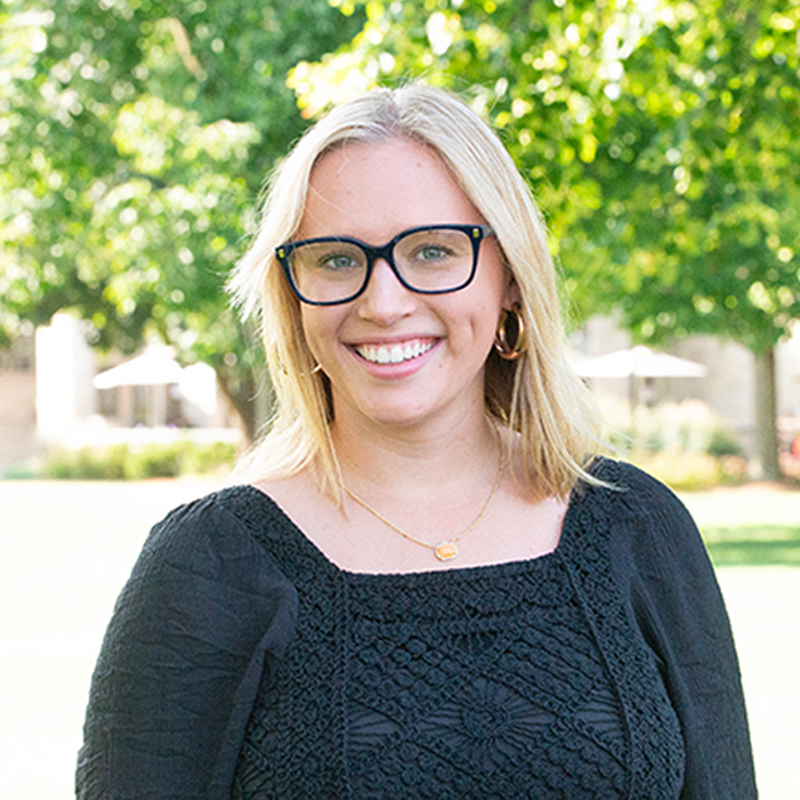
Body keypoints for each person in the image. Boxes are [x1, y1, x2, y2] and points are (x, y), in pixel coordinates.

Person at [76, 84, 756, 799]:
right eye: (336, 259)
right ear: (292, 294)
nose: (384, 302)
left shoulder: (638, 529)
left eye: (432, 251)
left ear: (512, 282)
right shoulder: (208, 566)